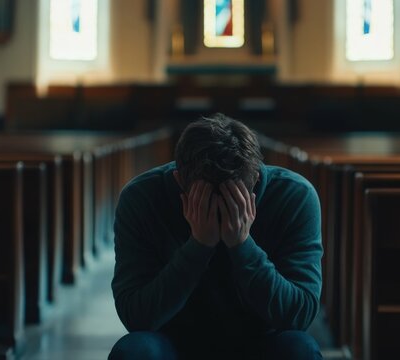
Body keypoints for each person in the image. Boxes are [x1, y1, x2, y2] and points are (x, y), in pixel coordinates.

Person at [108, 114, 323, 360]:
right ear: (179, 181)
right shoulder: (141, 198)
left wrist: (242, 245)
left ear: (256, 179)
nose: (222, 213)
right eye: (207, 200)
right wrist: (198, 246)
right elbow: (135, 316)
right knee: (134, 351)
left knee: (300, 349)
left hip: (262, 340)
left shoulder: (294, 196)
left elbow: (299, 314)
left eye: (234, 200)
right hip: (174, 343)